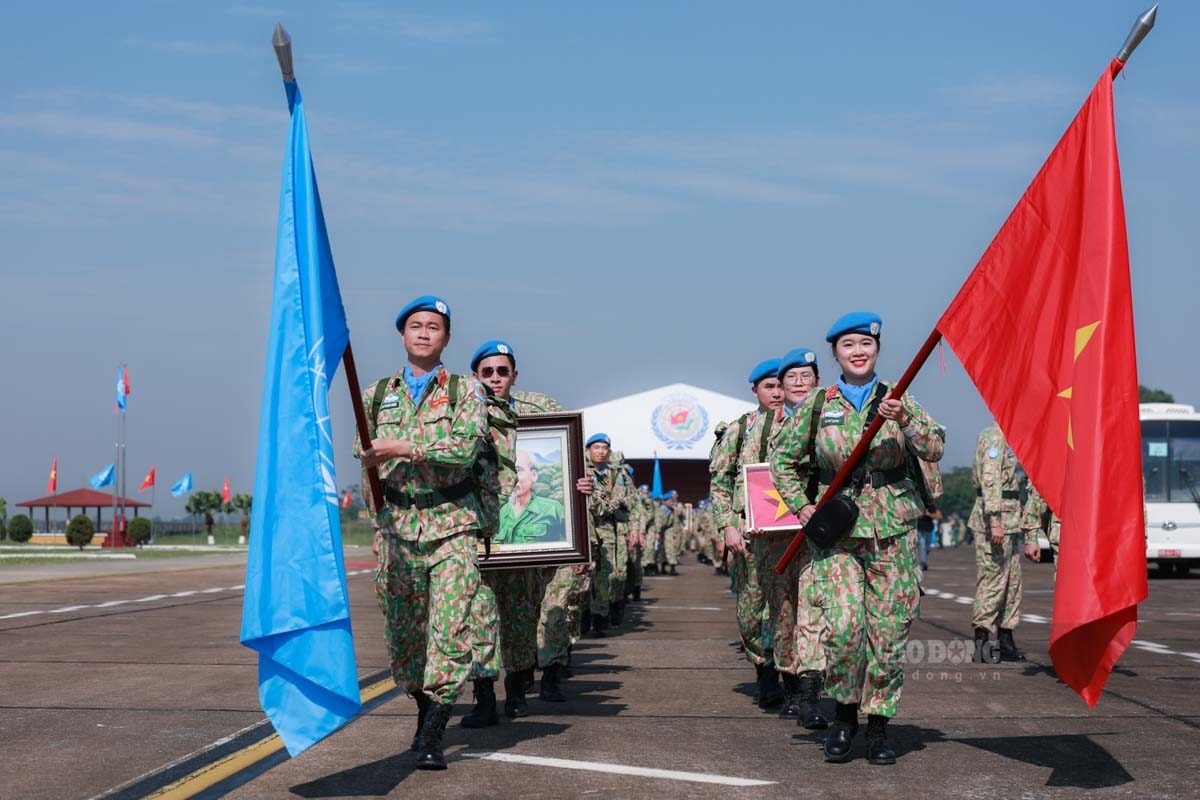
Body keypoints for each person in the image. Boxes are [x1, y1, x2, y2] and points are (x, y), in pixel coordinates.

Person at [771, 312, 944, 765]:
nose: (858, 352)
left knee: (887, 635)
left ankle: (879, 727)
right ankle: (845, 717)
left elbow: (934, 446)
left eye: (865, 344)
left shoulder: (898, 397)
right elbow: (782, 461)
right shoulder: (817, 404)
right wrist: (803, 507)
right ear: (835, 354)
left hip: (893, 530)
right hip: (839, 533)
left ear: (877, 349)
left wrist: (904, 419)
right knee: (845, 629)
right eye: (848, 345)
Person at [357, 295, 489, 770]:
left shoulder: (465, 391)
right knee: (405, 635)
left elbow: (464, 450)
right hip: (396, 529)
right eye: (416, 325)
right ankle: (421, 710)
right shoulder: (374, 395)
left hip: (452, 525)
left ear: (446, 338)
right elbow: (364, 452)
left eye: (434, 327)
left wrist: (403, 447)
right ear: (402, 334)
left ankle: (434, 731)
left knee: (450, 630)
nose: (424, 333)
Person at [461, 339, 591, 719]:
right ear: (475, 377)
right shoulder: (460, 411)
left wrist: (580, 485)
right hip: (479, 533)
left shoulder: (542, 410)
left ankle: (517, 687)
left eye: (503, 371)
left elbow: (570, 462)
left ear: (515, 375)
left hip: (526, 544)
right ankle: (483, 696)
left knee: (521, 617)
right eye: (488, 372)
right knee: (479, 616)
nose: (496, 378)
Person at [710, 358, 787, 709]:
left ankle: (796, 679)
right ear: (754, 390)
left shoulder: (805, 425)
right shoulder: (740, 430)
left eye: (781, 385)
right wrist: (727, 524)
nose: (777, 392)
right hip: (750, 536)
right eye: (769, 386)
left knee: (793, 608)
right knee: (752, 609)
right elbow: (720, 480)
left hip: (793, 535)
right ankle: (764, 669)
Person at [773, 346, 830, 727]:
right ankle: (784, 680)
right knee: (783, 613)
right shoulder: (759, 426)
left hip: (825, 531)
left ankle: (810, 693)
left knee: (816, 611)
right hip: (775, 536)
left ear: (817, 381)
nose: (798, 383)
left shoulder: (834, 417)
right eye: (791, 378)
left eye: (805, 376)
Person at [969, 422, 1041, 663]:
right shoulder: (994, 437)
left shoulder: (1013, 438)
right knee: (992, 581)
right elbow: (990, 480)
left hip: (1012, 517)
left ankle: (1005, 638)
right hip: (996, 520)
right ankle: (982, 640)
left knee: (1012, 583)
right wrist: (995, 520)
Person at [584, 433, 634, 636]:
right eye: (596, 447)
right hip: (582, 532)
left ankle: (600, 618)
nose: (600, 451)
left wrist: (595, 502)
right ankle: (582, 616)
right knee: (581, 578)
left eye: (604, 448)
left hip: (605, 533)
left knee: (605, 577)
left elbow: (614, 504)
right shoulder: (579, 470)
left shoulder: (616, 476)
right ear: (588, 450)